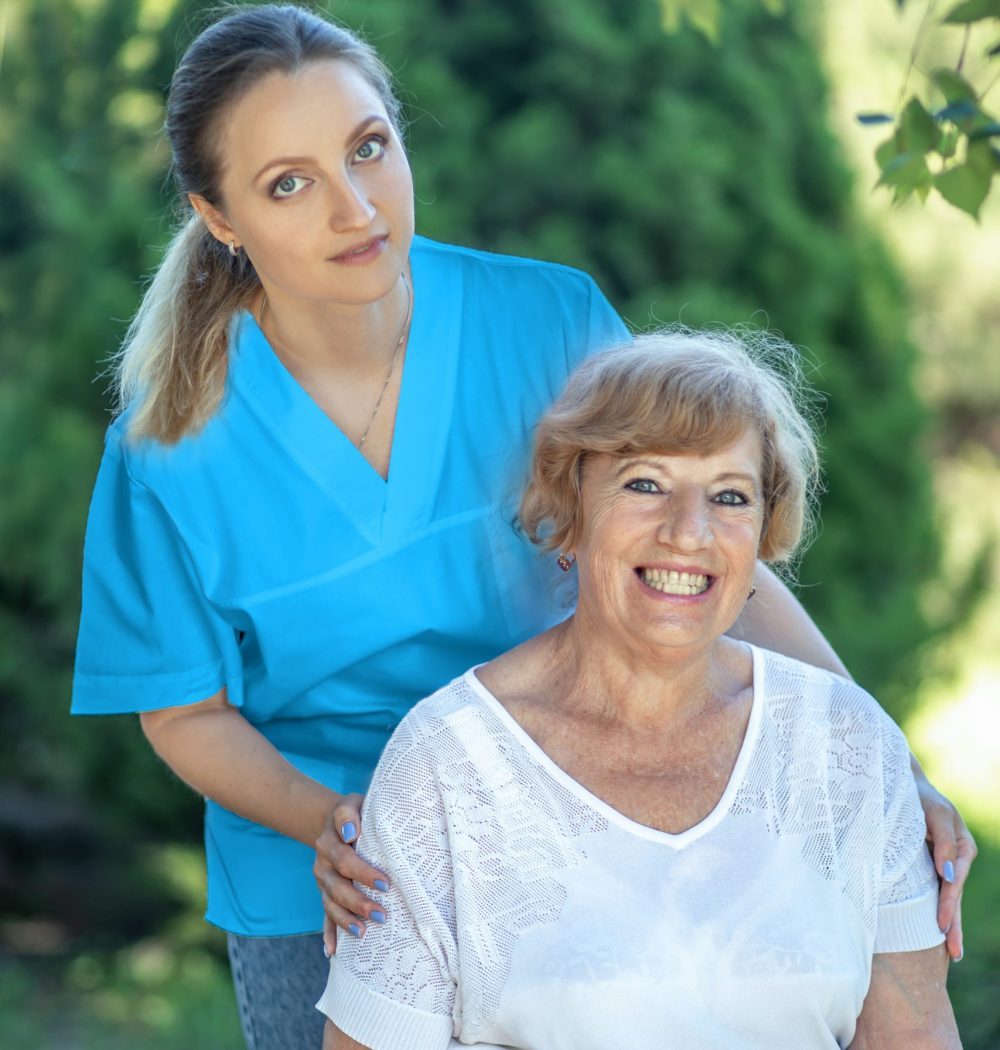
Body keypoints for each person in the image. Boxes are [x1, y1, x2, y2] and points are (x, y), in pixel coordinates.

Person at [69, 5, 972, 1049]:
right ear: (217, 216)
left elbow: (691, 552)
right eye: (288, 183)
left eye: (370, 149)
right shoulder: (170, 446)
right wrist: (337, 825)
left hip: (591, 819)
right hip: (330, 876)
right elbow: (183, 712)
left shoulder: (546, 323)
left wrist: (884, 763)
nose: (355, 207)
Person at [319, 328, 961, 1050]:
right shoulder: (444, 766)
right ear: (571, 509)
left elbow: (913, 1035)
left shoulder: (848, 745)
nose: (689, 533)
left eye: (729, 496)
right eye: (646, 485)